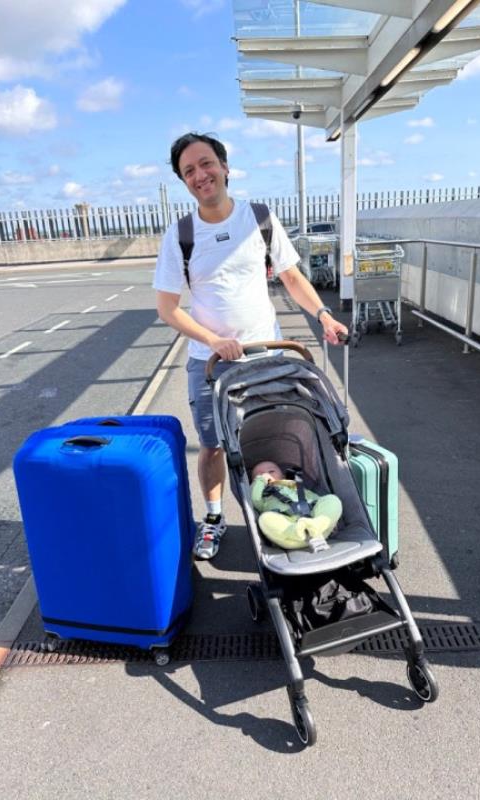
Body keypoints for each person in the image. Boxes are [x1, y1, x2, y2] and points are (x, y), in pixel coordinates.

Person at [154, 131, 348, 560]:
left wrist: (323, 316)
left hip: (267, 358)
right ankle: (214, 517)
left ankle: (293, 508)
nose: (200, 175)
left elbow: (292, 278)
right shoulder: (180, 235)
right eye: (189, 171)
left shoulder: (259, 218)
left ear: (225, 167)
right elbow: (168, 308)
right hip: (210, 363)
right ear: (184, 182)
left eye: (206, 164)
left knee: (275, 437)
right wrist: (212, 340)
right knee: (213, 444)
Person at [250, 461, 342, 551]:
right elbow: (254, 499)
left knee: (331, 499)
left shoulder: (294, 486)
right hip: (289, 524)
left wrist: (325, 513)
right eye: (259, 474)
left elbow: (315, 498)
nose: (266, 475)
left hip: (313, 516)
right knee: (264, 519)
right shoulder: (262, 494)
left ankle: (320, 523)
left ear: (282, 476)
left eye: (271, 471)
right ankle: (301, 533)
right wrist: (260, 481)